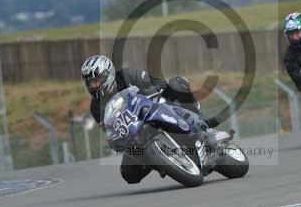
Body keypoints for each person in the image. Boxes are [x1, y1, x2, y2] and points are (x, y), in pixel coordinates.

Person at [81, 54, 220, 184]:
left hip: (154, 107)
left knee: (179, 83)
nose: (93, 86)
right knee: (129, 174)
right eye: (90, 83)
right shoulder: (96, 107)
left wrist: (153, 90)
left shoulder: (126, 76)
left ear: (108, 75)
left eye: (96, 80)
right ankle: (162, 161)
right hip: (134, 135)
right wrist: (117, 142)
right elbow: (109, 130)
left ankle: (202, 121)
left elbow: (155, 82)